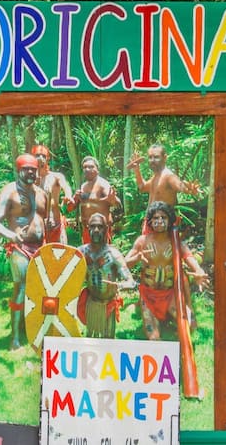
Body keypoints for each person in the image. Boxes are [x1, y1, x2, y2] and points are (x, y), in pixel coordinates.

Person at [124, 201, 208, 340]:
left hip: (170, 296)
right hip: (148, 297)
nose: (160, 221)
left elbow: (190, 259)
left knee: (191, 326)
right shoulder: (142, 241)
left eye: (163, 217)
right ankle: (152, 317)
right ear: (150, 221)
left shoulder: (176, 242)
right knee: (154, 338)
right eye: (156, 218)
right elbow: (125, 264)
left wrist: (199, 272)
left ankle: (167, 318)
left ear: (169, 220)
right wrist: (137, 257)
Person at [0, 153, 49, 349]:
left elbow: (44, 219)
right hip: (20, 248)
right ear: (19, 170)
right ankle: (15, 337)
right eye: (27, 169)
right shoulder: (10, 191)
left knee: (41, 290)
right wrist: (11, 235)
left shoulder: (42, 193)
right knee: (21, 288)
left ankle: (35, 329)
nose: (31, 172)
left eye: (33, 169)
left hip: (40, 248)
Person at [79, 213, 133, 338]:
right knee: (91, 340)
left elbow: (130, 281)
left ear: (106, 229)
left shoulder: (113, 254)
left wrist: (120, 285)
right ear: (88, 228)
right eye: (93, 226)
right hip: (91, 303)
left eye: (100, 227)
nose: (96, 230)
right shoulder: (81, 252)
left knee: (108, 341)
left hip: (109, 303)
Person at [126, 144, 200, 208]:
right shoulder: (155, 177)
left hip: (164, 222)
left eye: (156, 157)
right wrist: (137, 170)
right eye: (150, 157)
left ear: (165, 158)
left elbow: (179, 185)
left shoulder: (169, 176)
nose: (152, 160)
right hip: (151, 221)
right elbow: (142, 188)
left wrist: (188, 189)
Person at [72, 156, 122, 243]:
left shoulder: (103, 184)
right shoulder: (83, 186)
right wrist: (74, 198)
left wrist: (113, 200)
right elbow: (71, 207)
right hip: (87, 231)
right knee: (87, 256)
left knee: (102, 256)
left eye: (91, 167)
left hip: (101, 231)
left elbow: (117, 203)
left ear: (97, 170)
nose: (87, 169)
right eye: (85, 167)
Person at [31, 145, 72, 244]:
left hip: (55, 223)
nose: (40, 158)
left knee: (60, 256)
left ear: (48, 158)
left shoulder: (56, 177)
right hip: (37, 226)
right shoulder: (29, 179)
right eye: (37, 155)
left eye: (43, 156)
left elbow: (66, 186)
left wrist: (68, 196)